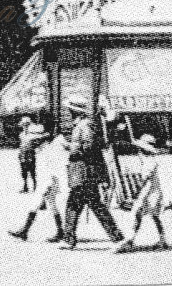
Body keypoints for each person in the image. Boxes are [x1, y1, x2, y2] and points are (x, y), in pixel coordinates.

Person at [62, 97, 124, 249]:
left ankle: (117, 238)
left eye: (70, 111)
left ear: (75, 112)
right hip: (84, 171)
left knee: (82, 205)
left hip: (86, 172)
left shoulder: (84, 126)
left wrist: (70, 148)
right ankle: (117, 237)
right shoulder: (83, 125)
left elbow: (88, 147)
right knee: (80, 205)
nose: (69, 113)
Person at [9, 120, 69, 243]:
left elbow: (57, 166)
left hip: (51, 180)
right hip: (50, 180)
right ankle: (59, 231)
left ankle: (25, 230)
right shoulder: (47, 147)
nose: (34, 143)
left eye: (36, 141)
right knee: (52, 206)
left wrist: (49, 184)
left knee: (38, 203)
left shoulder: (53, 147)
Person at [116, 133, 171, 253]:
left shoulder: (150, 162)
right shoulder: (147, 160)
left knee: (144, 215)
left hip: (150, 193)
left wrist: (135, 192)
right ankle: (159, 240)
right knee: (147, 216)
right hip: (151, 192)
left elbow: (144, 180)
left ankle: (132, 240)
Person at [18, 116, 46, 192]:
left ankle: (35, 186)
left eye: (27, 125)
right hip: (23, 154)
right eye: (24, 125)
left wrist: (38, 148)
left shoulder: (33, 135)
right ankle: (25, 186)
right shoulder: (21, 135)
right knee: (23, 171)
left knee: (32, 170)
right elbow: (21, 144)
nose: (25, 127)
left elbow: (41, 139)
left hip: (30, 153)